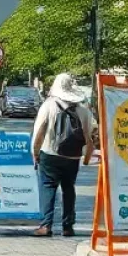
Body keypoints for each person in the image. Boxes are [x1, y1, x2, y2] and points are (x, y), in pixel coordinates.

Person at [31, 73, 95, 237]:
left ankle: (46, 225)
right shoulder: (83, 110)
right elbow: (89, 136)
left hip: (50, 153)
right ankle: (68, 226)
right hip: (73, 157)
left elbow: (39, 132)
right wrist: (86, 158)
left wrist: (35, 153)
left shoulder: (48, 106)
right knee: (69, 189)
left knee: (48, 187)